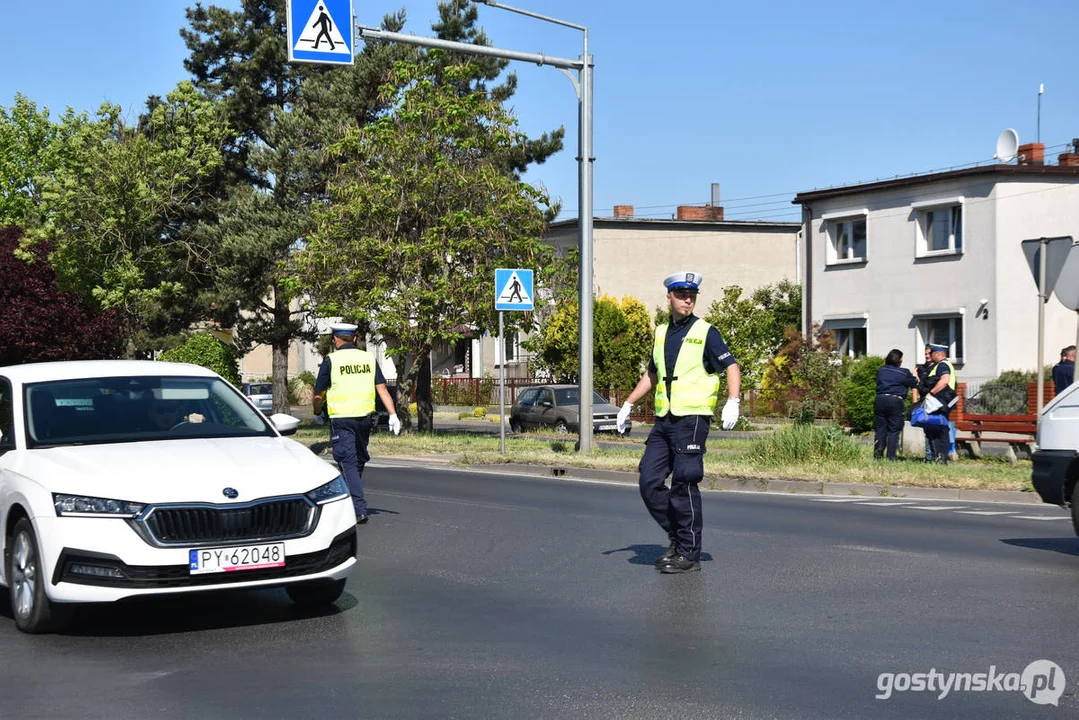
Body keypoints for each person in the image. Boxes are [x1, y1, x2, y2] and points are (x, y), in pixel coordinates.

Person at [616, 271, 741, 574]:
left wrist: (733, 400)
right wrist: (628, 404)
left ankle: (689, 553)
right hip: (665, 419)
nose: (688, 300)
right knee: (649, 480)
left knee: (684, 481)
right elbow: (653, 374)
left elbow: (731, 366)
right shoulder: (661, 332)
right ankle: (678, 537)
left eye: (692, 296)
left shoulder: (706, 332)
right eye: (682, 295)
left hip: (692, 418)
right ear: (669, 297)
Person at [312, 322, 401, 525]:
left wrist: (317, 412)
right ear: (354, 338)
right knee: (357, 461)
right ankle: (350, 503)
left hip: (342, 419)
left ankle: (357, 508)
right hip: (365, 420)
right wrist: (393, 414)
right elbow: (383, 389)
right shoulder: (368, 358)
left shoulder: (331, 360)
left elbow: (318, 393)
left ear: (335, 340)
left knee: (349, 462)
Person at [873, 349, 918, 461]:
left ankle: (877, 456)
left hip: (880, 399)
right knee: (894, 430)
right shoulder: (904, 372)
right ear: (899, 360)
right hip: (895, 401)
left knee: (880, 429)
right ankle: (891, 457)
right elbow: (915, 383)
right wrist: (915, 375)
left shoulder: (881, 370)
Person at [922, 343, 957, 464]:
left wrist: (931, 393)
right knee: (937, 429)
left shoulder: (942, 365)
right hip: (941, 402)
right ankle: (938, 457)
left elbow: (944, 380)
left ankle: (941, 458)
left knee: (940, 430)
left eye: (931, 353)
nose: (930, 356)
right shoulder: (942, 365)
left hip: (940, 402)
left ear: (937, 354)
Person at [914, 344, 933, 461]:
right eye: (925, 354)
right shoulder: (921, 368)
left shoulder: (938, 367)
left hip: (935, 402)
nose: (927, 356)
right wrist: (915, 402)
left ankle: (935, 455)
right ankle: (929, 456)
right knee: (927, 430)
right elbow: (915, 386)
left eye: (929, 353)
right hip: (924, 402)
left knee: (935, 429)